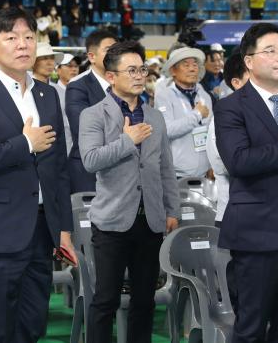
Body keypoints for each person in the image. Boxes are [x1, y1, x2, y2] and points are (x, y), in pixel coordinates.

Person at [0, 7, 76, 343]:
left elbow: (58, 169)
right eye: (11, 38)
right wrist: (24, 144)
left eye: (29, 38)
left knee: (33, 325)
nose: (23, 45)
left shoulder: (47, 94)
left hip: (40, 229)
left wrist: (62, 227)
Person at [214, 23, 278, 343]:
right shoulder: (231, 106)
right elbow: (239, 161)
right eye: (270, 51)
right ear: (249, 61)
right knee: (251, 326)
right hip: (256, 232)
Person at [79, 41, 180, 343]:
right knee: (105, 300)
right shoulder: (93, 114)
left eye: (142, 70)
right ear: (111, 76)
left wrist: (171, 209)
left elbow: (165, 167)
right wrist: (126, 140)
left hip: (150, 220)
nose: (139, 76)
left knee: (144, 301)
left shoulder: (155, 116)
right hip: (111, 222)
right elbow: (90, 160)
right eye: (131, 70)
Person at [66, 29, 117, 193]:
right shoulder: (78, 86)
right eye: (109, 50)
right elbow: (83, 129)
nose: (115, 54)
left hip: (121, 170)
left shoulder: (123, 84)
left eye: (117, 50)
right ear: (91, 57)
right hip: (88, 172)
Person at [154, 47, 213, 178]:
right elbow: (166, 130)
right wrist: (197, 115)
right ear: (173, 70)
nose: (192, 69)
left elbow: (211, 133)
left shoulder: (204, 96)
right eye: (186, 65)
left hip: (204, 173)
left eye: (195, 65)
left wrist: (212, 165)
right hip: (175, 174)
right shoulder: (164, 96)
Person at [206, 49, 249, 226]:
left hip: (266, 213)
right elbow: (224, 165)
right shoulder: (223, 117)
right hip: (233, 213)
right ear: (236, 83)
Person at [52, 53, 80, 154]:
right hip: (60, 147)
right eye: (69, 65)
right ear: (58, 70)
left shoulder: (83, 91)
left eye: (76, 66)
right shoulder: (52, 91)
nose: (74, 69)